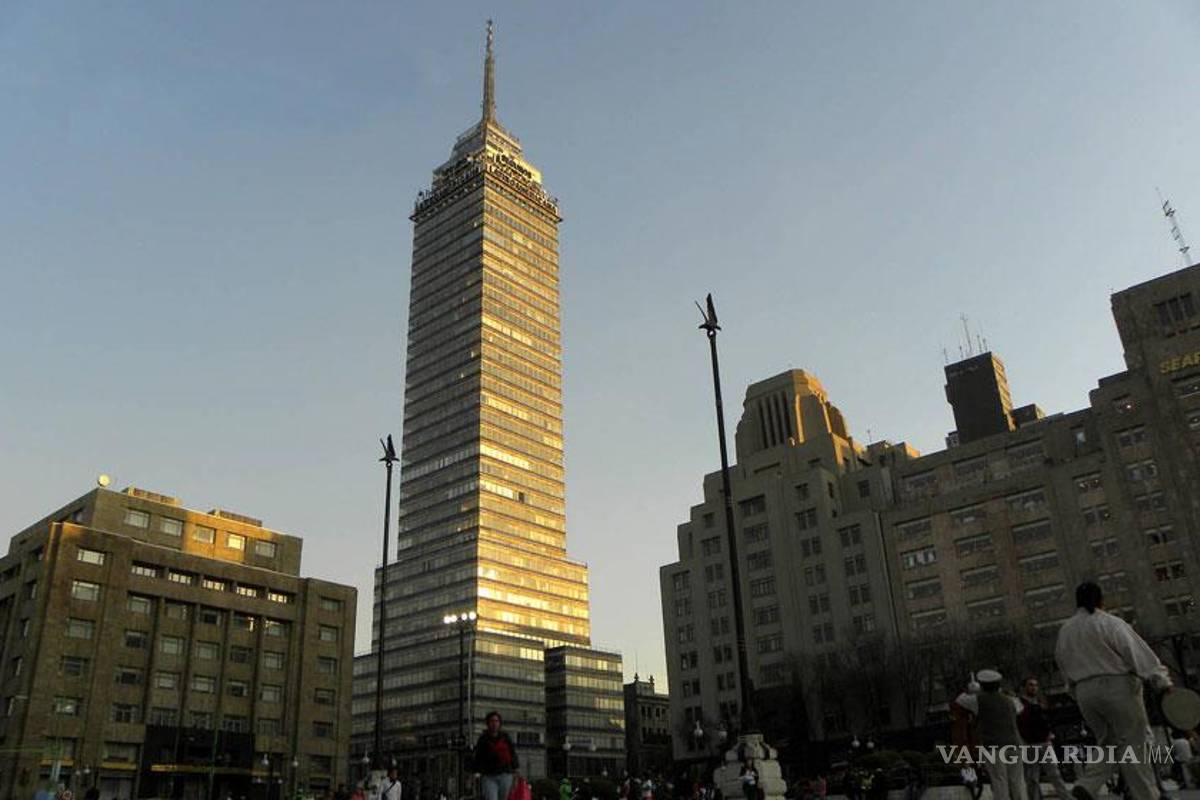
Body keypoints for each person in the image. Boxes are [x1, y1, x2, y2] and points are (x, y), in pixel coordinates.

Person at [1055, 582, 1172, 800]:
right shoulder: (1109, 622)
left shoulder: (1066, 630)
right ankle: (1147, 795)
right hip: (1117, 687)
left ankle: (1088, 783)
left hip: (1084, 691)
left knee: (1108, 743)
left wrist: (1075, 691)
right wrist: (1162, 681)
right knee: (1133, 745)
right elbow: (1136, 654)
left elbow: (1062, 664)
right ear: (1101, 600)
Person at [954, 669, 1027, 800]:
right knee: (1017, 781)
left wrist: (972, 689)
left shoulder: (978, 700)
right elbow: (1020, 709)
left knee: (999, 782)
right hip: (1014, 744)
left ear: (982, 685)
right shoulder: (1011, 700)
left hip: (993, 747)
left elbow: (960, 700)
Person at [1018, 676, 1072, 800]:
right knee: (1032, 778)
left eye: (1035, 685)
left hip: (1044, 742)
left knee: (1054, 774)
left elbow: (1047, 720)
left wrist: (1049, 734)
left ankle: (1066, 797)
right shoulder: (1020, 704)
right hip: (1029, 744)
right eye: (1031, 685)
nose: (1034, 688)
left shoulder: (1040, 702)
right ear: (1024, 687)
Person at [472, 712, 519, 800]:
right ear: (488, 723)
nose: (494, 723)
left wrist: (515, 771)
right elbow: (478, 757)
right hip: (489, 775)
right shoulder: (483, 739)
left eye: (496, 721)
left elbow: (512, 753)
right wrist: (477, 771)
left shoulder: (505, 737)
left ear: (500, 723)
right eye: (492, 721)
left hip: (505, 774)